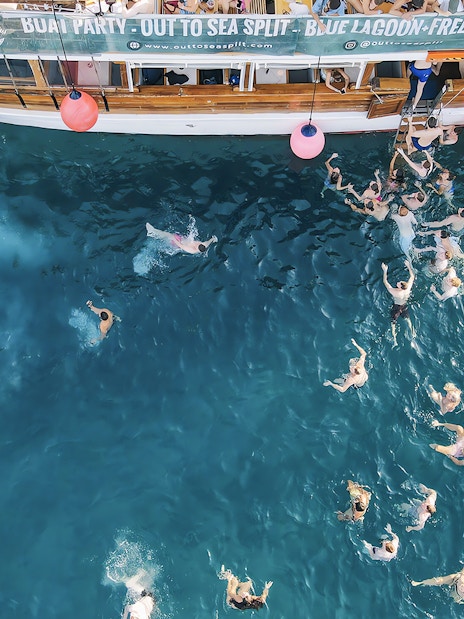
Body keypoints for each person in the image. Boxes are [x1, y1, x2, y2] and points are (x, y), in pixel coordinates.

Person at [381, 260, 415, 346]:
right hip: (404, 306)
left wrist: (385, 271)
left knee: (393, 322)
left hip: (396, 307)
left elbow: (385, 282)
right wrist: (408, 266)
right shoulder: (408, 288)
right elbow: (412, 277)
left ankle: (395, 339)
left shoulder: (395, 292)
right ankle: (413, 332)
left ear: (400, 288)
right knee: (407, 319)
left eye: (399, 284)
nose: (398, 283)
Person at [146, 222, 218, 254]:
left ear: (197, 249)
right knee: (169, 235)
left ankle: (152, 232)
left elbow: (181, 246)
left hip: (176, 244)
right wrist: (213, 239)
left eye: (197, 246)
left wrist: (173, 238)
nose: (196, 244)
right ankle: (154, 233)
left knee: (168, 235)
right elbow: (208, 242)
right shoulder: (203, 245)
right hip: (181, 239)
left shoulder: (191, 250)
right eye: (198, 244)